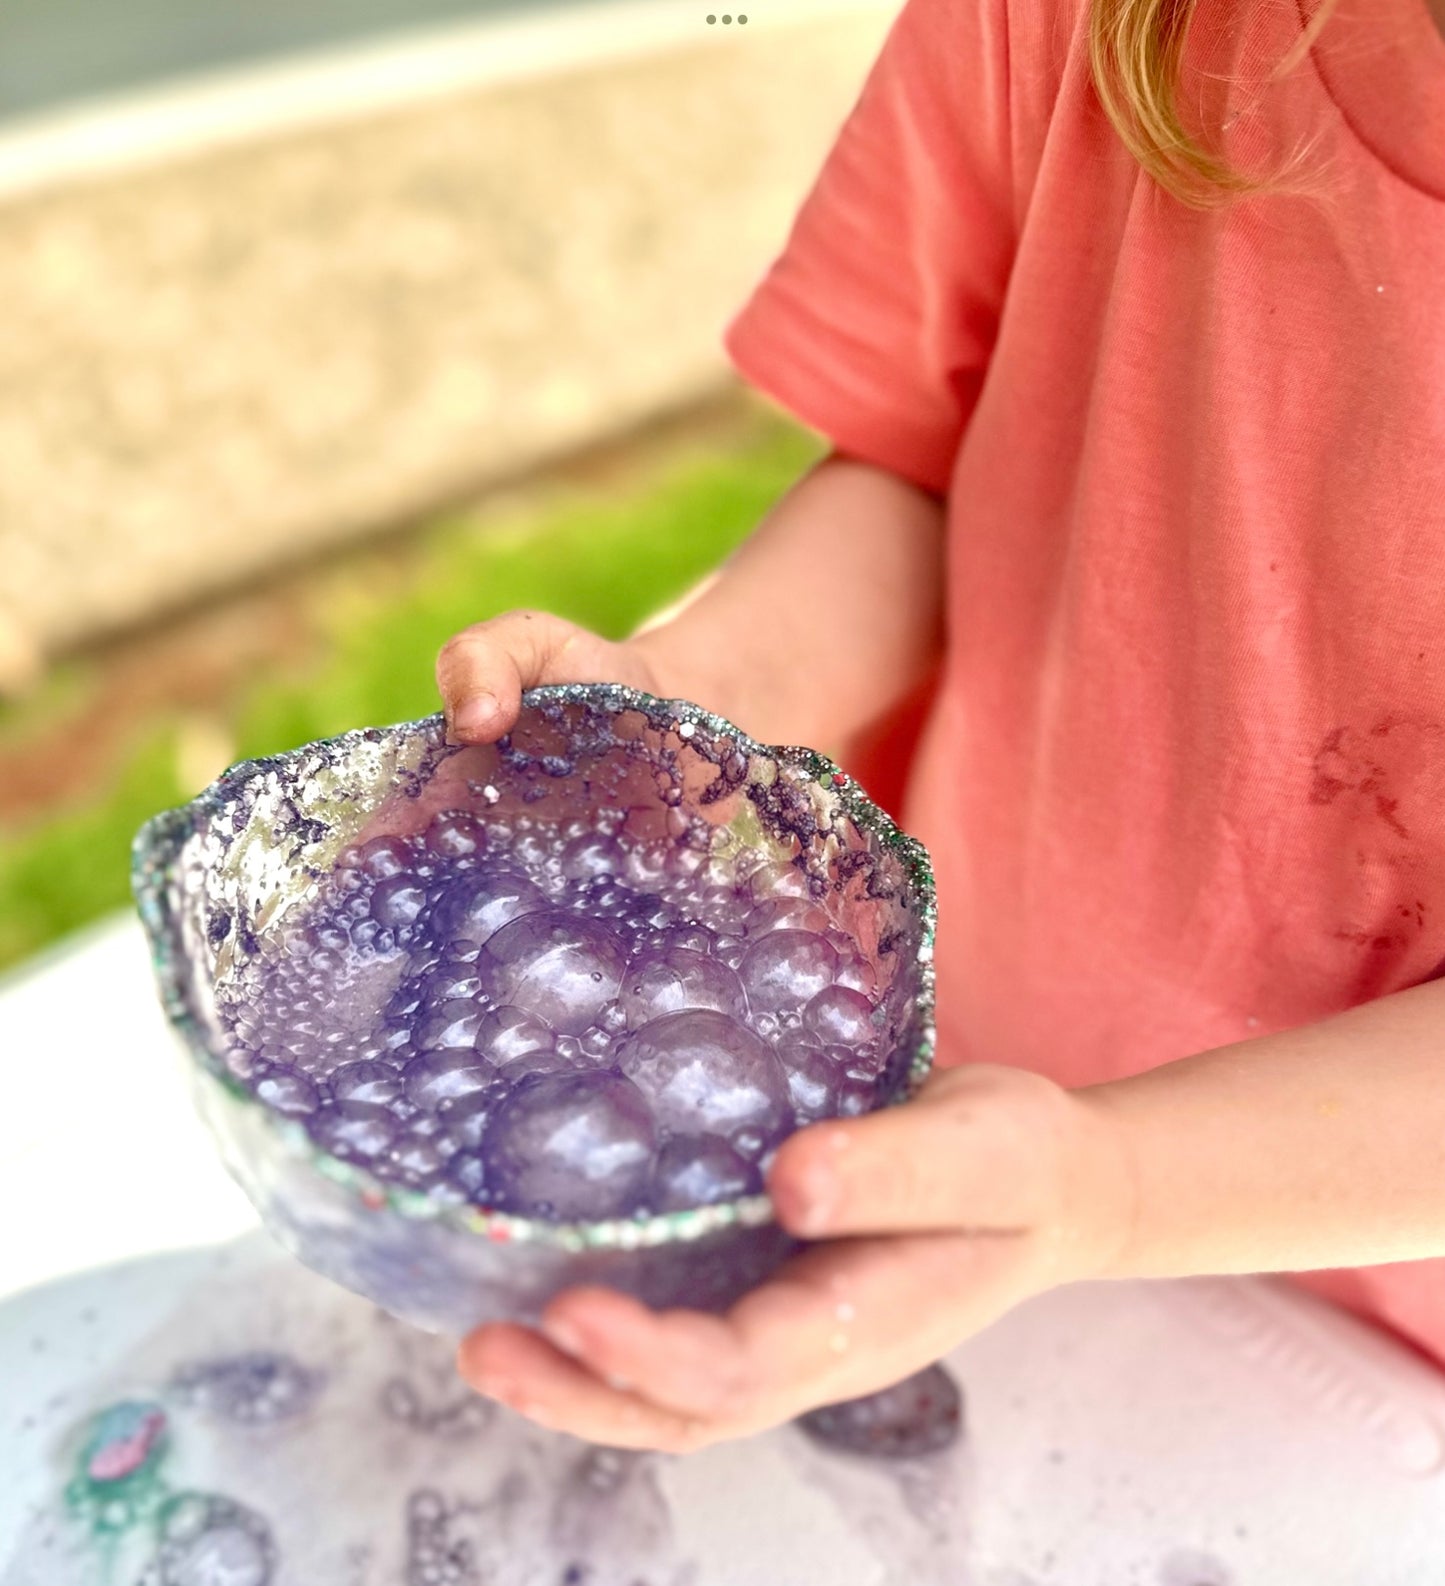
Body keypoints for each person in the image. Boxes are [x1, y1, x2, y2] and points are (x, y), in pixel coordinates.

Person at [437, 0, 1445, 1451]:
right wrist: (706, 707)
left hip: (1381, 1324)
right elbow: (930, 474)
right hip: (943, 1115)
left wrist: (1106, 1187)